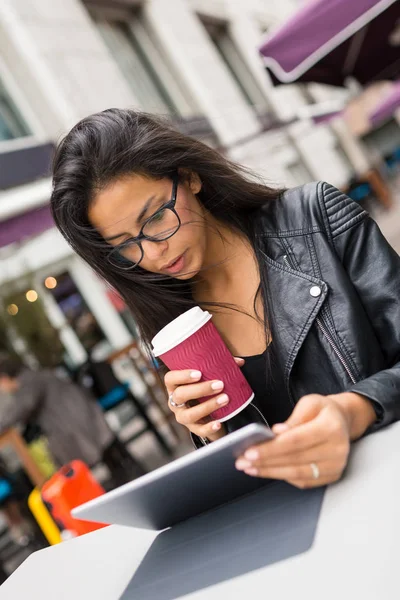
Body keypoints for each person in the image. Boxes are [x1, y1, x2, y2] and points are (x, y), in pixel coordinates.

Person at [50, 108, 400, 490]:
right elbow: (246, 476)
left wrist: (355, 410)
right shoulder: (168, 324)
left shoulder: (316, 220)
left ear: (188, 177)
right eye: (125, 246)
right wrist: (208, 435)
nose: (152, 254)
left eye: (155, 219)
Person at [0, 355, 146, 488]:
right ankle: (121, 480)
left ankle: (85, 492)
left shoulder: (29, 383)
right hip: (84, 414)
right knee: (110, 455)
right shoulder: (36, 376)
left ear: (5, 378)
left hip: (74, 423)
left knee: (57, 454)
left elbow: (19, 409)